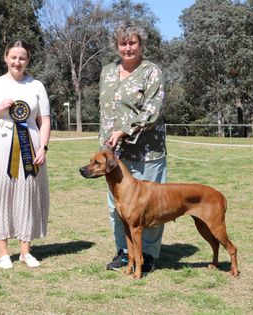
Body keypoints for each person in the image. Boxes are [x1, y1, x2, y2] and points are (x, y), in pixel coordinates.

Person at [0, 39, 51, 270]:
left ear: (28, 60)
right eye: (13, 57)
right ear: (5, 57)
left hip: (30, 147)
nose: (17, 62)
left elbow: (44, 121)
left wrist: (43, 148)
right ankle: (2, 251)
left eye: (22, 57)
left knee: (27, 195)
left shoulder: (37, 86)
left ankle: (25, 251)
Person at [99, 21, 167, 273]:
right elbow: (105, 110)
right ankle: (125, 252)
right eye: (123, 43)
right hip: (113, 154)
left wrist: (124, 131)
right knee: (116, 207)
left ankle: (147, 254)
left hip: (147, 151)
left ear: (140, 44)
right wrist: (107, 139)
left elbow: (153, 109)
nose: (127, 48)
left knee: (152, 206)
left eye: (132, 42)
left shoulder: (152, 72)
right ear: (117, 46)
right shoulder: (107, 71)